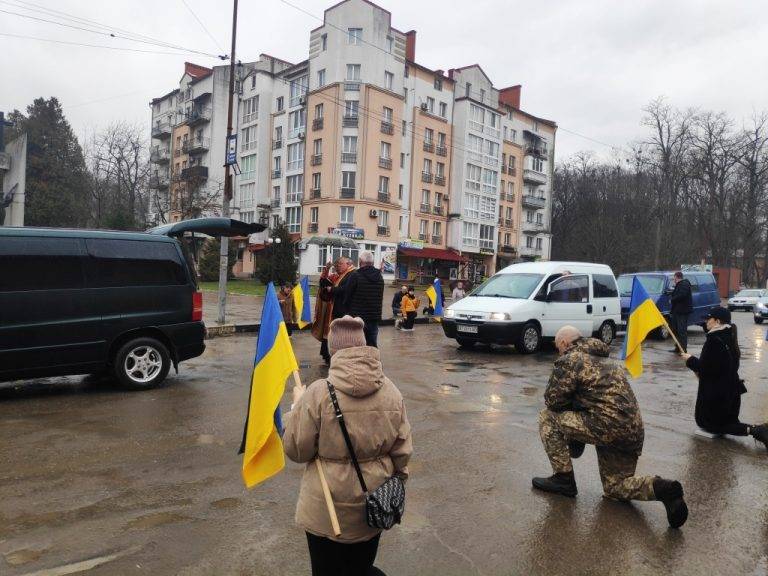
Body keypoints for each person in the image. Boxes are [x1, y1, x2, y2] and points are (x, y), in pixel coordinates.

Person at [283, 315, 413, 576]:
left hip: (325, 510)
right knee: (361, 568)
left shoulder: (318, 393)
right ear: (363, 346)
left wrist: (296, 408)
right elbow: (402, 452)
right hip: (373, 506)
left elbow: (298, 450)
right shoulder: (391, 391)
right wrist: (394, 484)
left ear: (334, 351)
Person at [532, 326, 689, 529]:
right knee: (615, 488)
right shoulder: (608, 360)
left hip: (603, 427)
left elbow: (553, 401)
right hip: (630, 431)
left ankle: (563, 479)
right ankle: (661, 488)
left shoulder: (570, 359)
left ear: (563, 343)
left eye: (557, 347)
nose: (558, 351)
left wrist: (574, 437)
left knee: (548, 417)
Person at [681, 306, 768, 449]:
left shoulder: (714, 341)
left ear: (717, 321)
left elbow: (705, 368)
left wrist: (690, 360)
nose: (706, 322)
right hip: (731, 393)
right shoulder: (729, 336)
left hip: (717, 397)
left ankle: (757, 430)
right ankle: (757, 430)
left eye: (708, 319)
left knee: (715, 425)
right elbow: (720, 366)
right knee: (726, 423)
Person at [346, 251, 384, 347]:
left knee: (357, 345)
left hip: (357, 318)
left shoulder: (355, 275)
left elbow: (347, 296)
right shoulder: (379, 276)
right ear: (372, 263)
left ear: (360, 261)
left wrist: (347, 312)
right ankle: (372, 361)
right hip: (374, 317)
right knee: (372, 345)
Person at [669, 271, 693, 354]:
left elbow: (682, 295)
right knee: (675, 330)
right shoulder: (679, 285)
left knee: (681, 331)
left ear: (676, 277)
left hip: (682, 312)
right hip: (676, 311)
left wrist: (672, 299)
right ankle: (677, 347)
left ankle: (683, 350)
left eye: (674, 278)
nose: (674, 279)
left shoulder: (684, 284)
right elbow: (678, 294)